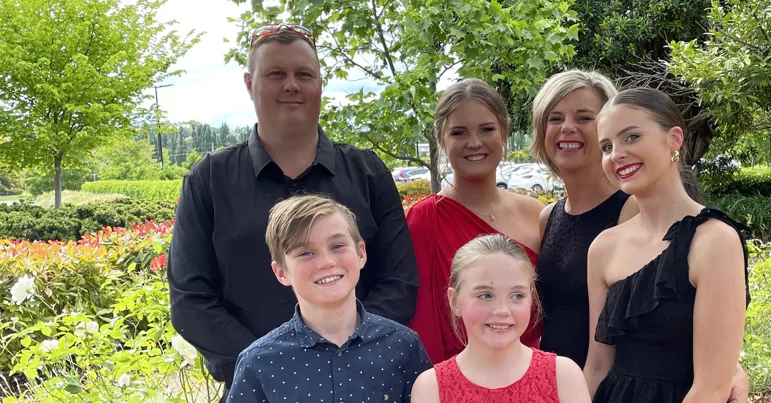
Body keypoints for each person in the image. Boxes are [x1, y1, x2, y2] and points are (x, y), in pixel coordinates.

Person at [166, 23, 419, 401]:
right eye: (276, 74)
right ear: (250, 84)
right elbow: (191, 300)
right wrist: (271, 365)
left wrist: (355, 357)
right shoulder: (209, 181)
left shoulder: (368, 173)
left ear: (320, 83)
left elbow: (399, 282)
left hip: (367, 387)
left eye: (304, 74)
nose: (291, 85)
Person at [583, 87, 750, 403]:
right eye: (606, 146)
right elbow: (597, 367)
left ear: (674, 139)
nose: (616, 153)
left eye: (631, 137)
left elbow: (712, 388)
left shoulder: (714, 240)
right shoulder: (603, 248)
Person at [227, 195, 431, 403]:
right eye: (306, 253)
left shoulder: (403, 346)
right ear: (281, 272)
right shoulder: (259, 362)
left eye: (337, 246)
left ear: (361, 253)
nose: (326, 262)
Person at [406, 79, 544, 364]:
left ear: (503, 132)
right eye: (459, 132)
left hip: (531, 373)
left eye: (486, 129)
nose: (474, 143)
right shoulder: (424, 220)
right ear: (442, 141)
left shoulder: (537, 214)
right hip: (455, 378)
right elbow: (422, 322)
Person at [530, 69, 636, 369]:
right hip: (555, 386)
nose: (567, 128)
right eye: (555, 118)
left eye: (583, 118)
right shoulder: (548, 218)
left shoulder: (631, 212)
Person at [410, 234, 590, 403]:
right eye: (485, 295)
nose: (502, 310)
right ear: (455, 301)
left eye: (517, 295)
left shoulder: (564, 376)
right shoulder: (430, 388)